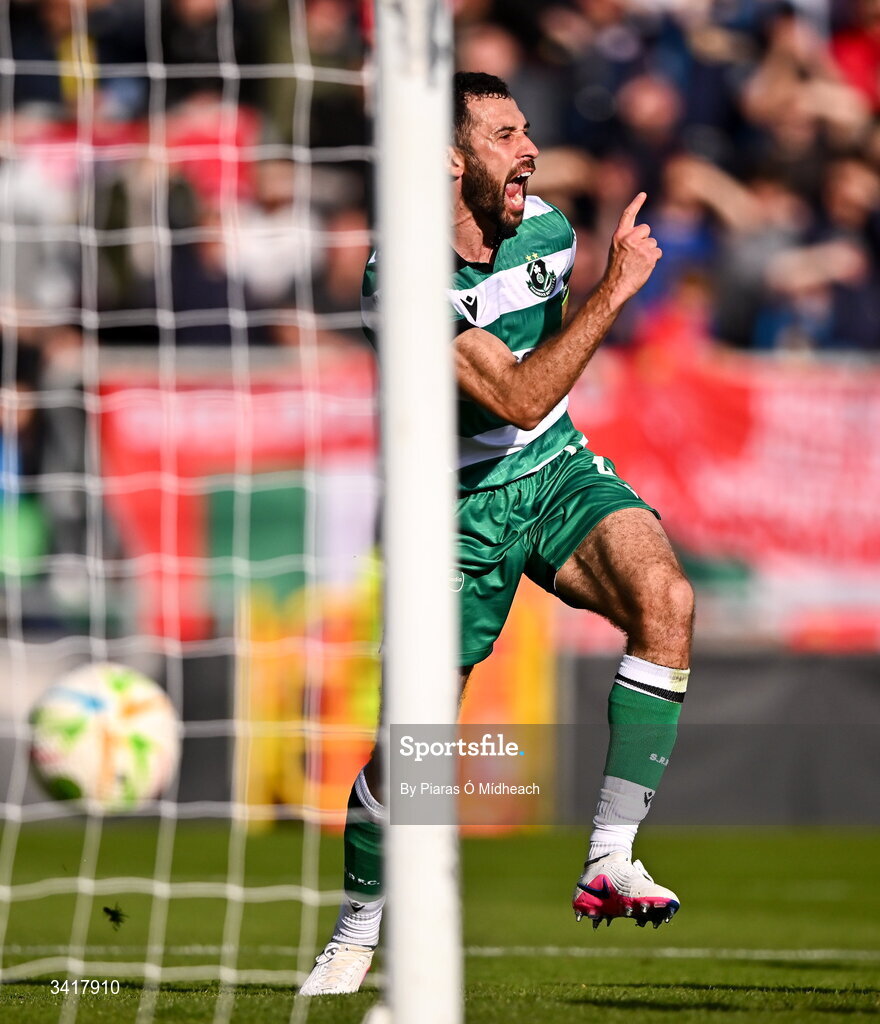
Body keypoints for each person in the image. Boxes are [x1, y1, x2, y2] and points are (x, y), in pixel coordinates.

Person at [299, 71, 695, 997]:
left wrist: (594, 284)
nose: (529, 151)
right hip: (454, 510)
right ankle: (358, 930)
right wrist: (616, 290)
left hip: (552, 470)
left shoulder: (549, 231)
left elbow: (535, 405)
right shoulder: (401, 277)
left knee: (666, 598)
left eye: (528, 132)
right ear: (448, 156)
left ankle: (609, 858)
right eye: (505, 135)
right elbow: (516, 391)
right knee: (417, 748)